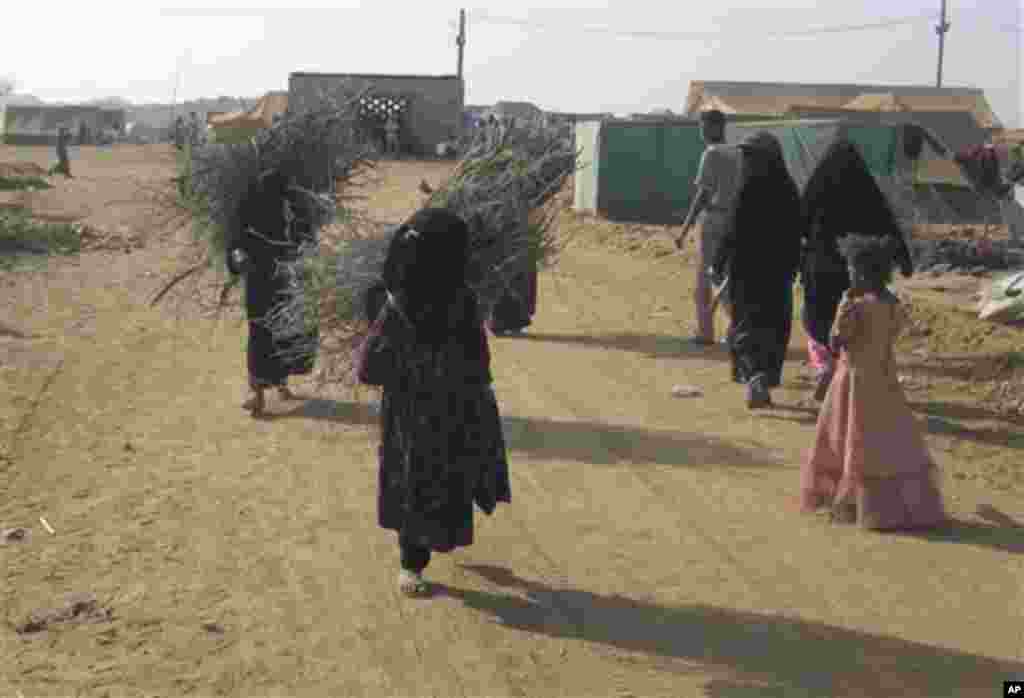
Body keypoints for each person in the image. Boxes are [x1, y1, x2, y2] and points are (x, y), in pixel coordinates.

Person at [354, 208, 511, 597]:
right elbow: (480, 363)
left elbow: (368, 369)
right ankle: (413, 562)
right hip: (432, 413)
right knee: (427, 481)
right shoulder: (425, 303)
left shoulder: (409, 303)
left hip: (428, 412)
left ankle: (415, 561)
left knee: (424, 481)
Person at [799, 234, 946, 530]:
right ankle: (890, 505)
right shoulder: (892, 303)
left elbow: (836, 341)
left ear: (863, 273)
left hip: (852, 381)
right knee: (885, 443)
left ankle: (852, 501)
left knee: (850, 439)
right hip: (885, 380)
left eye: (852, 269)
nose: (849, 274)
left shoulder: (854, 305)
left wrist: (843, 304)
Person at [800, 140, 913, 401]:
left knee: (816, 319)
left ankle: (826, 367)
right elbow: (887, 223)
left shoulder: (818, 186)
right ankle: (842, 372)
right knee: (852, 321)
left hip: (819, 268)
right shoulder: (865, 190)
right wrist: (903, 259)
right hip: (856, 271)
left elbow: (799, 222)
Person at [710, 132, 803, 408]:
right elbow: (797, 232)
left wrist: (717, 262)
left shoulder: (747, 189)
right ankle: (761, 377)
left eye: (751, 155)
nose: (747, 160)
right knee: (772, 328)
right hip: (777, 273)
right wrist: (794, 265)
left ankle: (754, 379)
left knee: (746, 326)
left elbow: (731, 231)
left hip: (747, 272)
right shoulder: (788, 189)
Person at [226, 170, 319, 417]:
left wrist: (305, 260)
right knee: (260, 330)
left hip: (288, 274)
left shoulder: (295, 201)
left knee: (286, 329)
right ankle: (258, 393)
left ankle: (280, 382)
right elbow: (235, 237)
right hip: (260, 274)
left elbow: (307, 235)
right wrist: (238, 256)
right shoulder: (250, 198)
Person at [676, 109, 745, 347]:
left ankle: (705, 332)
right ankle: (735, 329)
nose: (702, 132)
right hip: (736, 221)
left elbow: (703, 194)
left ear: (715, 127)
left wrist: (684, 229)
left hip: (714, 221)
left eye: (704, 127)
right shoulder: (739, 153)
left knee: (706, 278)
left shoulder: (712, 154)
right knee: (728, 278)